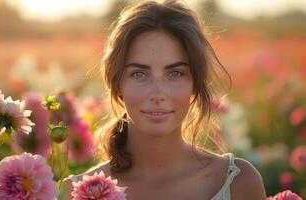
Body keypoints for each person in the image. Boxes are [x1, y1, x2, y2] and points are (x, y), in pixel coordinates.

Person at [64, 0, 267, 199]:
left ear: (195, 83)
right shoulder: (74, 193)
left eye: (175, 73)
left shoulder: (237, 183)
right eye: (139, 74)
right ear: (117, 85)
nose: (157, 93)